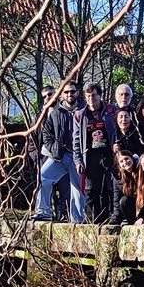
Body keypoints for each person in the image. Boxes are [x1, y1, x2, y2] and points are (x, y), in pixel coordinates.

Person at [31, 84, 86, 222]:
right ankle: (43, 212)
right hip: (60, 156)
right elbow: (46, 133)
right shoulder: (57, 112)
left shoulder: (85, 111)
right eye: (66, 92)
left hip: (78, 157)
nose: (69, 94)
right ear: (61, 94)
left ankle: (77, 220)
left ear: (77, 92)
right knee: (43, 176)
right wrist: (55, 149)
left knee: (77, 188)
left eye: (72, 91)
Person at [80, 84, 117, 223]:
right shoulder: (81, 114)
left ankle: (110, 217)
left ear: (100, 95)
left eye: (94, 95)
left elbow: (118, 129)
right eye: (88, 96)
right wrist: (78, 160)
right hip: (90, 156)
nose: (91, 98)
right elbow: (76, 139)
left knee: (109, 187)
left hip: (108, 154)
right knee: (91, 189)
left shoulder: (111, 110)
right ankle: (91, 219)